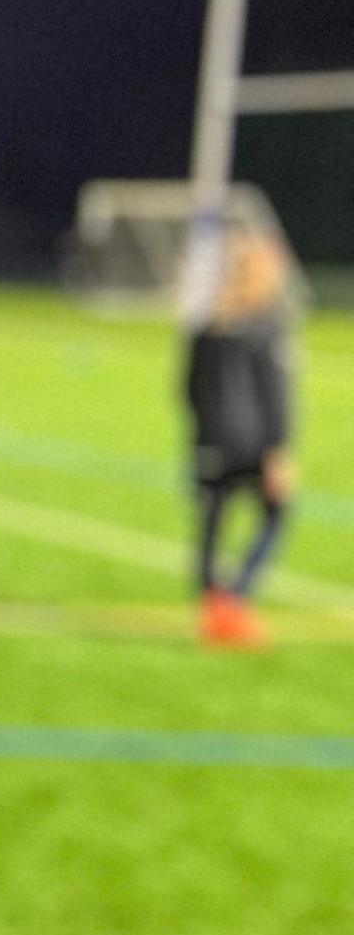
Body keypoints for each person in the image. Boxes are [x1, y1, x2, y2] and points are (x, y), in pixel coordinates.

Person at [184, 227, 298, 648]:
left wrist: (203, 428)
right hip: (251, 442)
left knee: (211, 522)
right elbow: (275, 392)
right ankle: (236, 600)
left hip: (209, 439)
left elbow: (186, 387)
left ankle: (212, 608)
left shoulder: (207, 323)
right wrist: (279, 448)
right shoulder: (266, 326)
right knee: (275, 514)